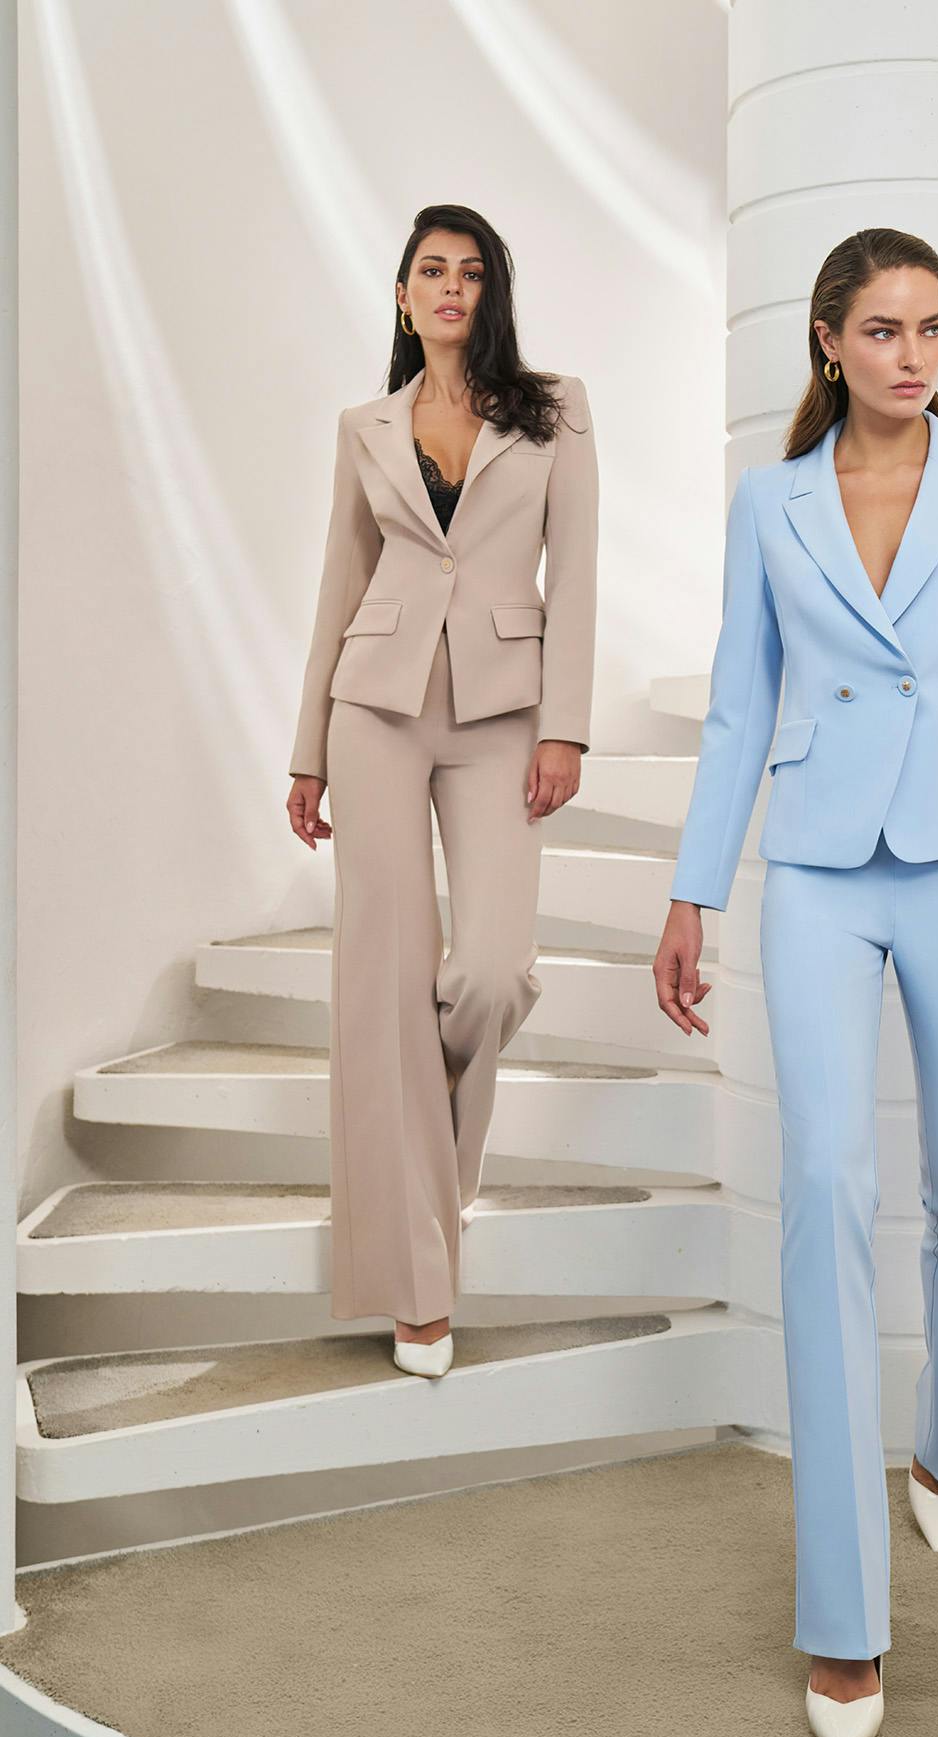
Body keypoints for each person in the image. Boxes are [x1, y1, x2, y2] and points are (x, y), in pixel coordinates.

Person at [652, 228, 938, 1737]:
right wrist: (693, 890)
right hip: (824, 867)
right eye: (886, 330)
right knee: (827, 1191)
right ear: (832, 343)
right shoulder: (769, 504)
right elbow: (734, 702)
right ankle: (844, 1624)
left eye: (935, 330)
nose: (914, 355)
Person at [285, 204, 598, 1380]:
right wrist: (306, 748)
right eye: (432, 271)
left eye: (471, 271)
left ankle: (429, 1185)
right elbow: (338, 581)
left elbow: (580, 571)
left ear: (492, 291)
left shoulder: (555, 408)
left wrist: (564, 725)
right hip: (372, 706)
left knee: (488, 974)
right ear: (405, 295)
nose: (451, 288)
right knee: (381, 983)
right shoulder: (363, 425)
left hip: (502, 713)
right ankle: (419, 1289)